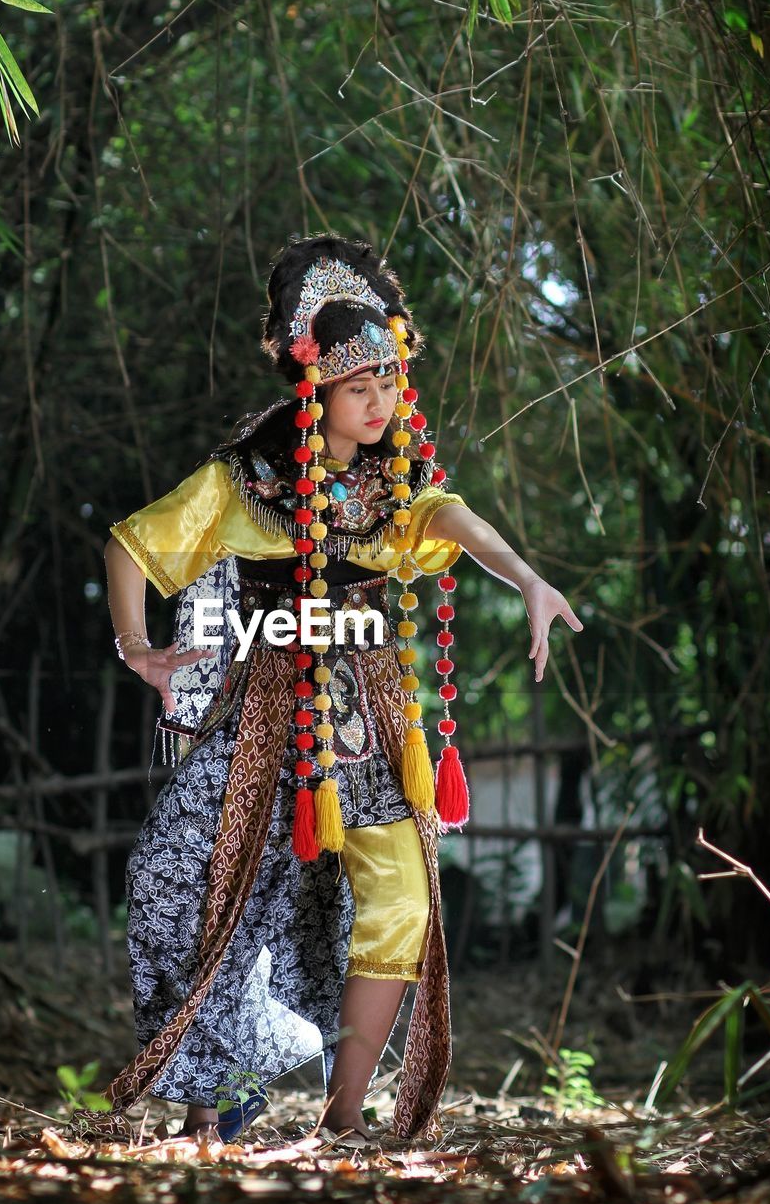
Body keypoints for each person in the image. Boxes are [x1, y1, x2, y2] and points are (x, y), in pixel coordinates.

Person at [74, 235, 583, 1145]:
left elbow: (455, 520)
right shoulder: (248, 480)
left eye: (389, 381)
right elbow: (131, 544)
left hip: (373, 713)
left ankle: (344, 1123)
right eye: (361, 386)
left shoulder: (401, 480)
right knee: (183, 874)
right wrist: (135, 645)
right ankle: (211, 1097)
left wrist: (530, 580)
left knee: (401, 900)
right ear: (318, 390)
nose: (381, 401)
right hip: (269, 709)